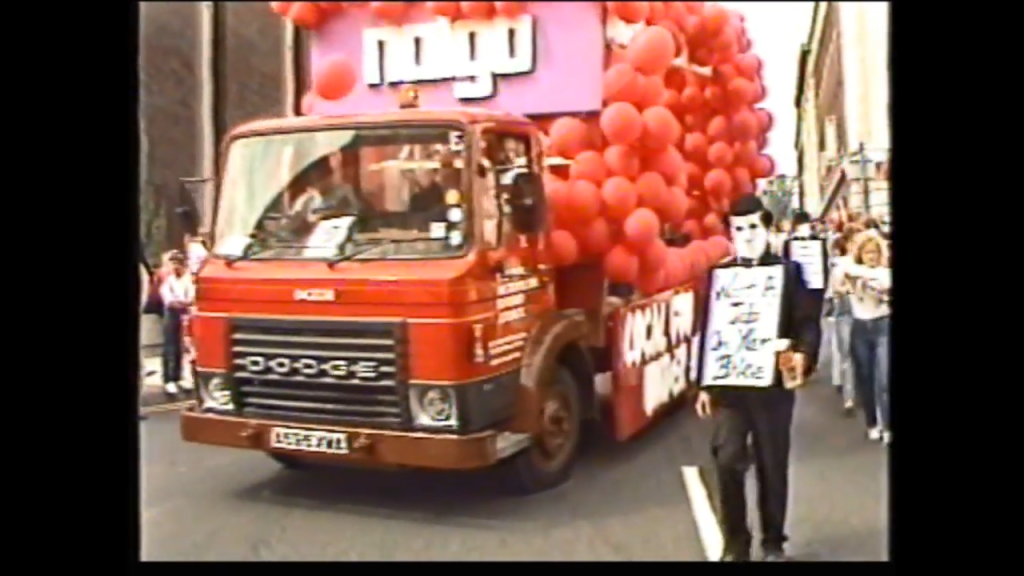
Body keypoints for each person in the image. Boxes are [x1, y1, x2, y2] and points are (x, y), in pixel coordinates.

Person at [694, 195, 821, 562]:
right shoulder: (720, 275)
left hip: (772, 386)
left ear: (766, 228)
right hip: (731, 387)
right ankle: (736, 543)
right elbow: (710, 330)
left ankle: (773, 542)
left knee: (772, 462)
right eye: (738, 229)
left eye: (752, 226)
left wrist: (803, 353)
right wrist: (705, 383)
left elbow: (807, 322)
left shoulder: (788, 273)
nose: (746, 235)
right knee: (727, 458)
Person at [845, 230, 892, 444]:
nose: (871, 256)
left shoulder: (884, 273)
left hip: (882, 325)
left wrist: (868, 279)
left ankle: (887, 425)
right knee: (865, 378)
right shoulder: (853, 270)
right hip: (860, 328)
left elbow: (885, 285)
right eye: (867, 252)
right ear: (860, 255)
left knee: (883, 379)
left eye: (875, 252)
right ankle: (872, 423)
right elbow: (842, 273)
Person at [783, 210, 828, 372]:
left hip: (802, 288)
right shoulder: (818, 242)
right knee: (812, 322)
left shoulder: (790, 243)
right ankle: (809, 358)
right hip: (815, 288)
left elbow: (786, 264)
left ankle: (805, 356)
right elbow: (825, 264)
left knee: (803, 322)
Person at [825, 228, 857, 415]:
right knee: (848, 356)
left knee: (849, 356)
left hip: (851, 313)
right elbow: (835, 288)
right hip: (846, 312)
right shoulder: (841, 265)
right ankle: (849, 397)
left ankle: (850, 395)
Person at [159, 251, 195, 396]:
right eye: (173, 264)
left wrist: (184, 302)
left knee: (186, 347)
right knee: (170, 346)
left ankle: (181, 377)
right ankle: (169, 379)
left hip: (187, 314)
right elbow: (168, 300)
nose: (176, 268)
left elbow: (192, 297)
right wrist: (182, 303)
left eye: (178, 264)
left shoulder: (189, 280)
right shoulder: (169, 281)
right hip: (172, 314)